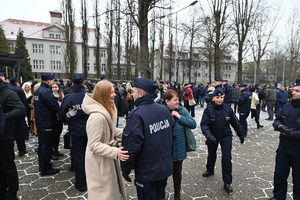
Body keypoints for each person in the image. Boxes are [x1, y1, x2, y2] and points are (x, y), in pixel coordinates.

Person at [120, 77, 175, 200]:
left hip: (147, 171)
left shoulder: (137, 114)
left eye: (133, 91)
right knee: (160, 195)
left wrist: (126, 167)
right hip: (163, 167)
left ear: (141, 94)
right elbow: (172, 137)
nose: (131, 94)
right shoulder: (164, 110)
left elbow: (132, 145)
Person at [82, 80, 128, 200]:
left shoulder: (107, 109)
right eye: (111, 92)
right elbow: (94, 145)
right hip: (98, 161)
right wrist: (115, 152)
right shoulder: (96, 117)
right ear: (103, 94)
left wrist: (129, 133)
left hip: (105, 156)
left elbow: (112, 130)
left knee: (110, 189)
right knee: (102, 193)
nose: (115, 95)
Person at [200, 89, 244, 194]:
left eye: (221, 97)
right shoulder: (208, 110)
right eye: (217, 98)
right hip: (212, 136)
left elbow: (235, 123)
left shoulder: (228, 109)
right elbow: (204, 124)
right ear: (213, 98)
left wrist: (241, 134)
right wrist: (208, 135)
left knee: (227, 158)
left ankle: (227, 182)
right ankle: (210, 170)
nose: (219, 100)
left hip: (225, 136)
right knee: (211, 154)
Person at [162, 89, 196, 200]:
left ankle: (177, 194)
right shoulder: (161, 111)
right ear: (166, 101)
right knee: (163, 174)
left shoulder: (182, 110)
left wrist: (179, 117)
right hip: (164, 149)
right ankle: (161, 193)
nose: (177, 102)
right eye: (175, 100)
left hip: (178, 148)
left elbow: (193, 124)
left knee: (177, 174)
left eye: (178, 100)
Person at [269, 79, 300, 200]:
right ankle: (278, 197)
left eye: (297, 91)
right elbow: (277, 119)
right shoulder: (287, 106)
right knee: (279, 176)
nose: (293, 93)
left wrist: (294, 134)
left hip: (298, 152)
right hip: (284, 149)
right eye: (293, 90)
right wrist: (280, 126)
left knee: (298, 181)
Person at [58, 74, 89, 192]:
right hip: (91, 130)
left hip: (76, 131)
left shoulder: (69, 98)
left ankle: (81, 183)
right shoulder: (90, 97)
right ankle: (93, 180)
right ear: (83, 83)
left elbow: (61, 117)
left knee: (79, 157)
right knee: (91, 156)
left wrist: (68, 115)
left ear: (72, 84)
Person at [0, 77, 26, 200]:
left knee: (8, 166)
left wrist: (3, 117)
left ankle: (11, 193)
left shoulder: (8, 93)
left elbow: (21, 109)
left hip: (5, 137)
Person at [34, 74, 60, 175]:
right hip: (47, 122)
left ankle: (42, 165)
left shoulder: (38, 91)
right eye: (52, 81)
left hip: (41, 122)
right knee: (47, 146)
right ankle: (46, 168)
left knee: (42, 145)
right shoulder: (45, 92)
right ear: (49, 81)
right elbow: (54, 105)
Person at [9, 77, 28, 156]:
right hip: (18, 113)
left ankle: (10, 151)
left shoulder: (7, 89)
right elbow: (24, 101)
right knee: (19, 132)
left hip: (9, 113)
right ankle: (22, 150)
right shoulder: (19, 89)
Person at [51, 82, 64, 160]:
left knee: (58, 134)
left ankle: (56, 149)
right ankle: (52, 151)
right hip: (52, 118)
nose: (54, 89)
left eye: (56, 87)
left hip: (59, 118)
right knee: (53, 135)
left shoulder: (61, 95)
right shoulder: (50, 95)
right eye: (53, 87)